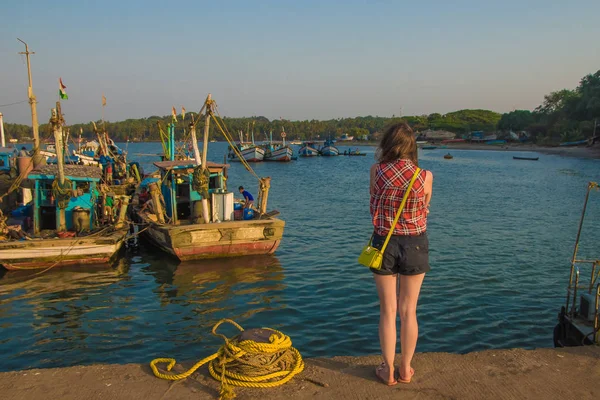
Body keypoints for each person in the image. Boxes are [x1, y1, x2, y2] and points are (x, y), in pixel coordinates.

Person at [369, 122, 433, 386]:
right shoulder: (425, 175)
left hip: (383, 242)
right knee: (409, 310)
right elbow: (425, 207)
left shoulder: (377, 171)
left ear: (388, 144)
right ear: (412, 147)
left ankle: (387, 370)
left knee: (388, 310)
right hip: (416, 243)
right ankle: (405, 369)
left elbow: (373, 202)